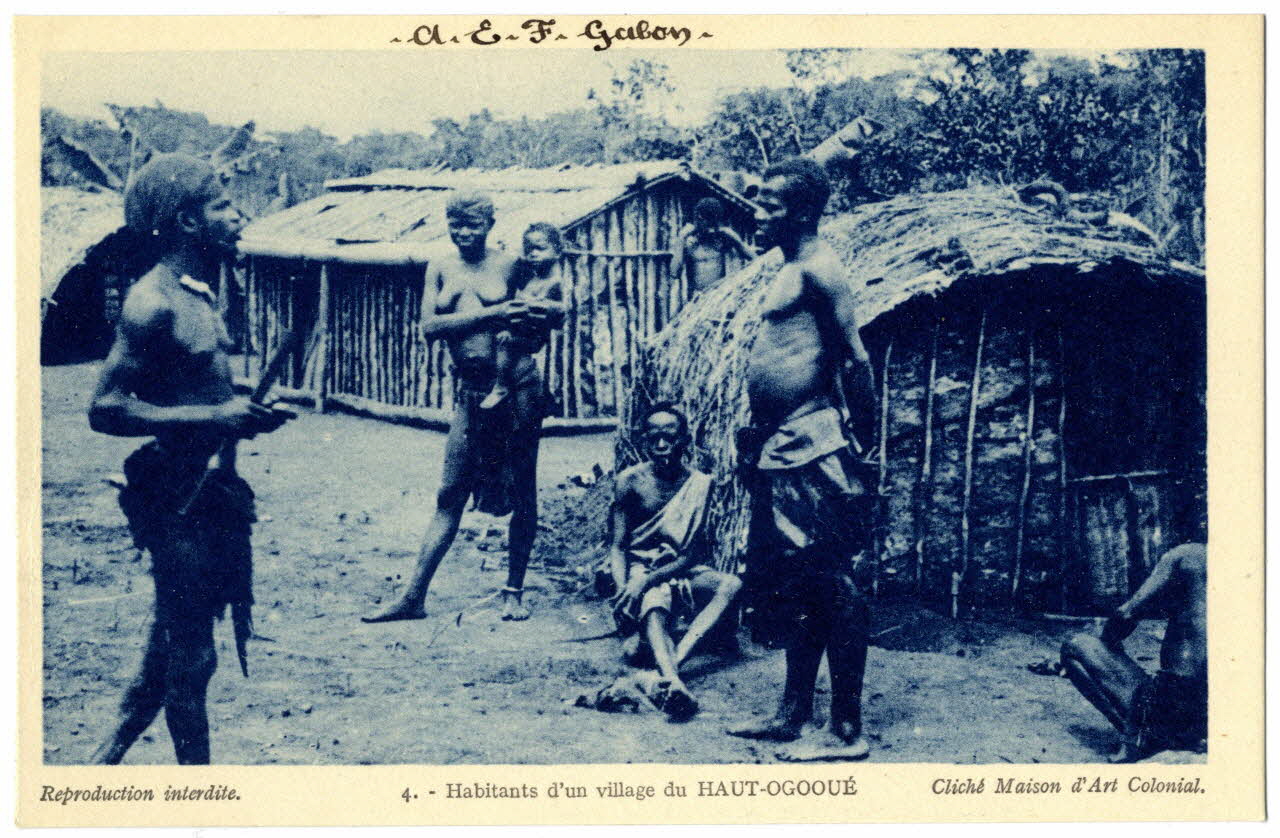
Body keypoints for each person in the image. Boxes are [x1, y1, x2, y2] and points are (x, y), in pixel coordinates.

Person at [88, 154, 293, 764]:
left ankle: (100, 765)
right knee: (193, 657)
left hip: (209, 495)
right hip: (173, 498)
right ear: (186, 220)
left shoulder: (198, 293)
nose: (239, 216)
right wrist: (213, 417)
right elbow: (106, 409)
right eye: (222, 206)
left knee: (169, 650)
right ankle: (197, 799)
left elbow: (194, 387)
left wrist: (240, 410)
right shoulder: (151, 303)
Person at [725, 157, 879, 762]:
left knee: (831, 583)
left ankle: (845, 731)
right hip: (780, 445)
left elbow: (856, 360)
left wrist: (866, 447)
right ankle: (793, 713)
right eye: (758, 202)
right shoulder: (787, 268)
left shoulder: (821, 270)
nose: (759, 214)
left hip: (813, 446)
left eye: (772, 205)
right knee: (800, 583)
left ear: (805, 212)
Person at [363, 191, 564, 624]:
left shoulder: (511, 265)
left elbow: (548, 310)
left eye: (472, 224)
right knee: (450, 491)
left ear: (490, 224)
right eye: (456, 223)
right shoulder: (440, 266)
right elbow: (430, 328)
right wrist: (491, 317)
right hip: (470, 392)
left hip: (517, 389)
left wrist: (531, 322)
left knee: (522, 490)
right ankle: (413, 595)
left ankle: (513, 591)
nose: (463, 232)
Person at [607, 403, 742, 721]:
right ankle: (675, 682)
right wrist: (624, 590)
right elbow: (618, 546)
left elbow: (691, 555)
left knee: (732, 583)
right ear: (643, 441)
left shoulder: (700, 484)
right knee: (654, 599)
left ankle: (671, 669)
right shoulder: (629, 481)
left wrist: (649, 580)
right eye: (653, 437)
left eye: (670, 436)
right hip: (640, 568)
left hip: (681, 567)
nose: (662, 444)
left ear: (685, 440)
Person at [1060, 542, 1207, 762]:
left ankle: (1146, 738)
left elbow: (1126, 614)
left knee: (1077, 646)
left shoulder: (1188, 554)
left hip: (1179, 700)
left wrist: (1110, 642)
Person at [480, 222, 564, 410]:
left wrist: (510, 328)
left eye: (540, 249)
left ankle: (501, 386)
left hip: (532, 336)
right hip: (523, 329)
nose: (533, 254)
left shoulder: (553, 282)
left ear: (557, 252)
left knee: (504, 342)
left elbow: (538, 312)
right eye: (529, 249)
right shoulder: (535, 277)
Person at [669, 197, 757, 294]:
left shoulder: (721, 239)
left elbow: (756, 259)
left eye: (709, 221)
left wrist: (736, 240)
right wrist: (681, 238)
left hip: (718, 296)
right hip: (696, 298)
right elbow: (674, 273)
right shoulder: (689, 241)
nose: (705, 225)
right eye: (701, 220)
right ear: (697, 217)